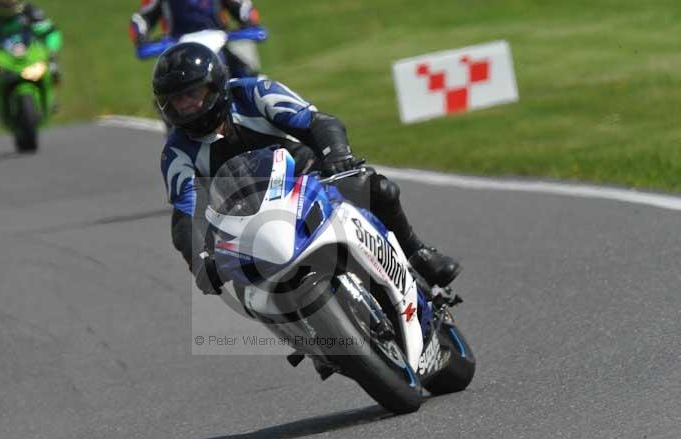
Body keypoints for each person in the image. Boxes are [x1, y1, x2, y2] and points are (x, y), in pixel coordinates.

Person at [153, 43, 461, 294]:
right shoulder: (177, 152)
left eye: (192, 94)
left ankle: (417, 253)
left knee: (378, 189)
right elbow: (185, 213)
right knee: (243, 283)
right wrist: (199, 260)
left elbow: (318, 122)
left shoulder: (253, 93)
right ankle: (308, 332)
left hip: (309, 182)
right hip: (250, 224)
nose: (186, 106)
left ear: (213, 86)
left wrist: (337, 156)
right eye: (177, 100)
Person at [0, 0, 63, 115]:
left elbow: (50, 32)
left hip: (30, 56)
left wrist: (51, 49)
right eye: (4, 3)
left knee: (53, 69)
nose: (8, 4)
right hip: (3, 62)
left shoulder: (31, 12)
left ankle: (51, 98)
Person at [129, 0, 260, 76]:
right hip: (179, 48)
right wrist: (141, 38)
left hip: (219, 42)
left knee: (246, 75)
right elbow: (141, 18)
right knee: (168, 88)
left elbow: (243, 7)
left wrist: (249, 22)